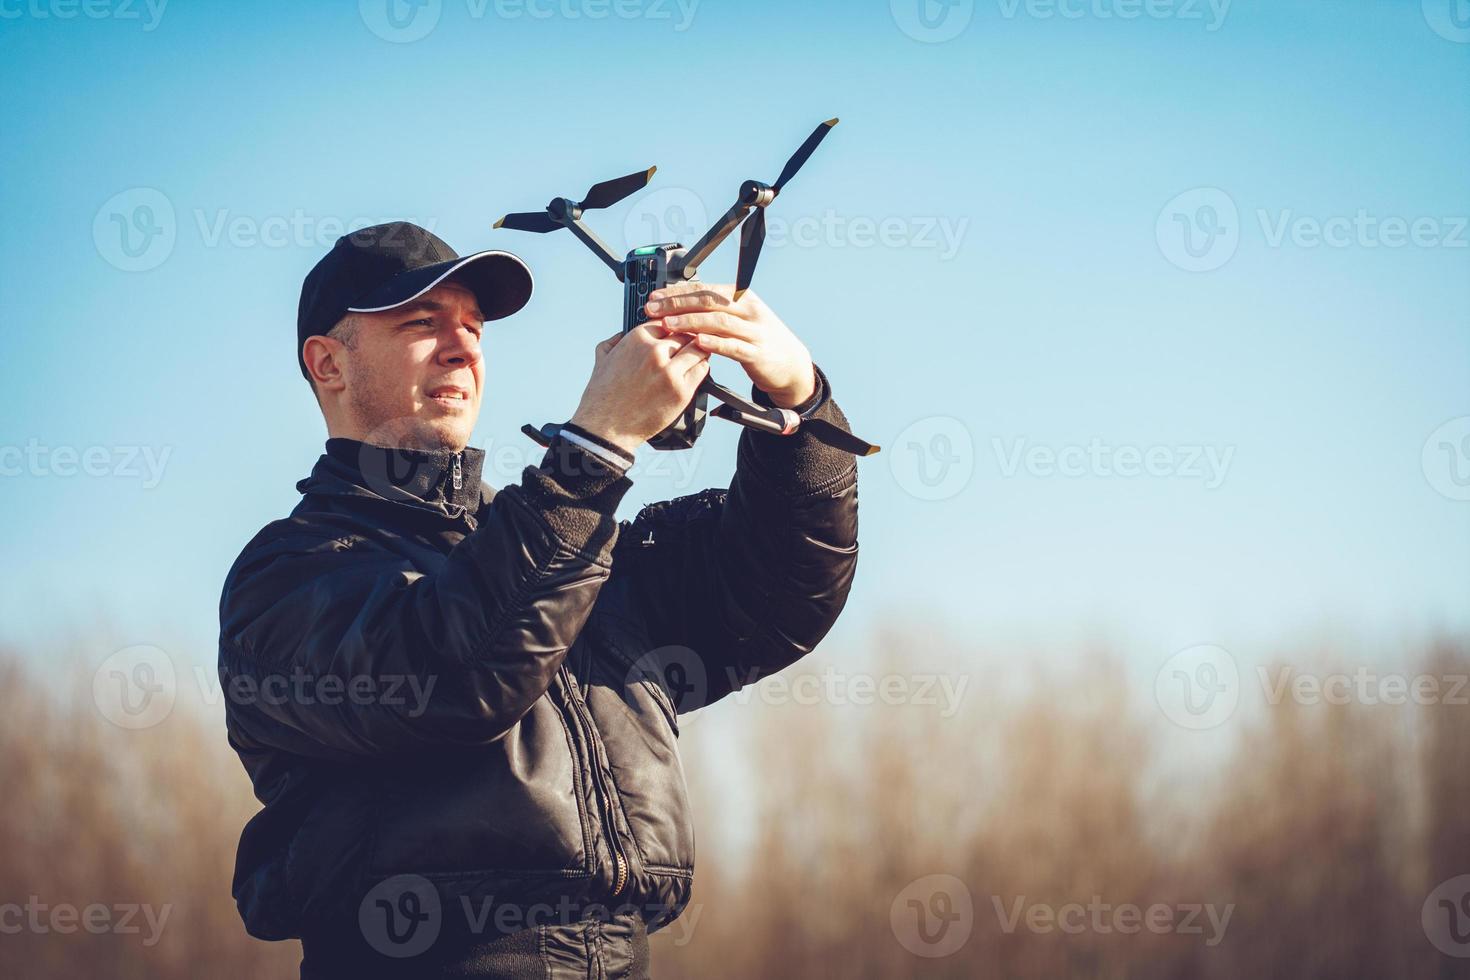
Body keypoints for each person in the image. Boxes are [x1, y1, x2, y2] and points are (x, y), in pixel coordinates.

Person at [217, 222, 861, 977]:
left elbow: (775, 597)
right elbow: (457, 677)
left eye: (473, 327)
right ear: (327, 362)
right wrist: (594, 449)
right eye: (423, 324)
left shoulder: (563, 542)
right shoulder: (288, 576)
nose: (463, 347)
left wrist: (799, 404)